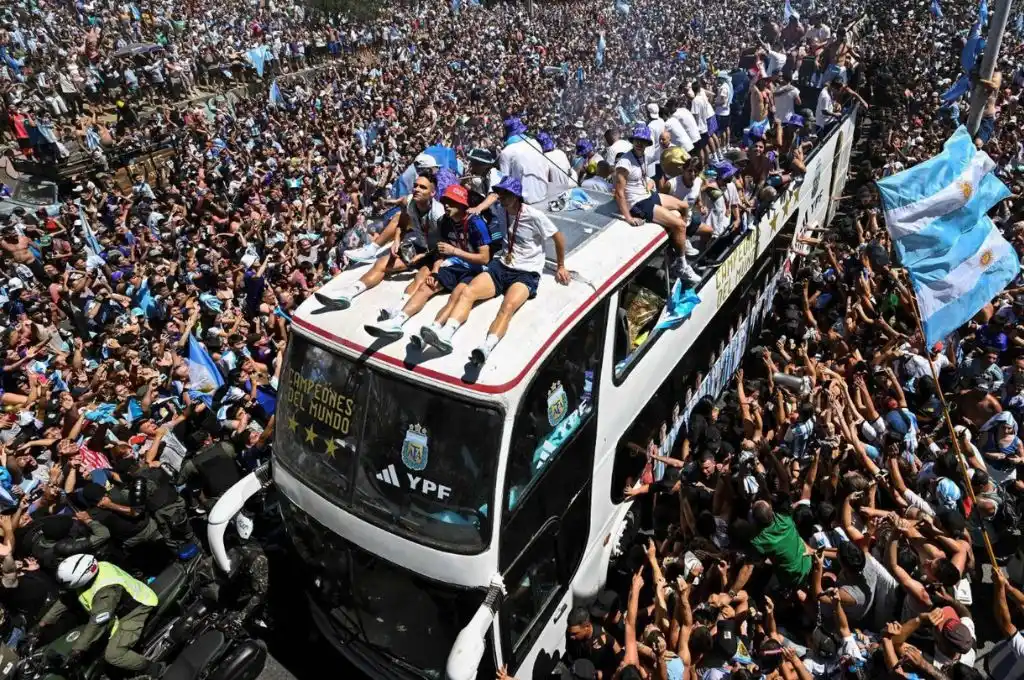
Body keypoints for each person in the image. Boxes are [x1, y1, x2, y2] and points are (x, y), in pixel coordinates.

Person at [417, 177, 570, 364]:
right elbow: (491, 196)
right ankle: (447, 334)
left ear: (516, 196)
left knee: (507, 307)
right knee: (468, 292)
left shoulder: (534, 215)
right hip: (502, 266)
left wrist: (561, 265)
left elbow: (559, 238)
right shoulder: (501, 209)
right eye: (501, 193)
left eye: (506, 194)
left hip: (526, 271)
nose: (502, 197)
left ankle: (486, 347)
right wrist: (479, 207)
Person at [365, 184, 494, 341]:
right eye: (445, 201)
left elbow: (485, 258)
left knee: (457, 296)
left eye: (451, 202)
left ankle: (437, 330)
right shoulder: (445, 221)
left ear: (462, 205)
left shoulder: (476, 224)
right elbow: (441, 250)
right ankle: (397, 322)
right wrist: (436, 270)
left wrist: (454, 252)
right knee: (427, 286)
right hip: (455, 264)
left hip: (475, 270)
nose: (446, 205)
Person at [317, 173, 444, 309]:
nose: (417, 189)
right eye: (415, 186)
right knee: (381, 263)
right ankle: (347, 294)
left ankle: (398, 310)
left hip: (436, 254)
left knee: (422, 277)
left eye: (423, 187)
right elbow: (402, 223)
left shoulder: (439, 214)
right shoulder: (409, 202)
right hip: (419, 246)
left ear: (432, 193)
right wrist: (396, 240)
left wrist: (424, 256)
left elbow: (446, 245)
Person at [33, 554, 163, 676]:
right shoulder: (93, 569)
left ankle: (155, 669)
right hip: (118, 607)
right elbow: (67, 599)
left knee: (114, 655)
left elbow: (98, 622)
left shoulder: (105, 592)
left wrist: (77, 650)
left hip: (135, 611)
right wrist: (41, 625)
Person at [612, 124, 701, 285]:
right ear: (633, 141)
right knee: (680, 224)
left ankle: (682, 242)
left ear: (646, 143)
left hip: (647, 195)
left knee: (684, 206)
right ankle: (681, 265)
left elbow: (641, 178)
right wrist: (628, 217)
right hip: (638, 203)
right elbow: (619, 192)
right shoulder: (624, 163)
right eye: (637, 140)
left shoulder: (642, 156)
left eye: (643, 141)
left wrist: (650, 183)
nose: (639, 143)